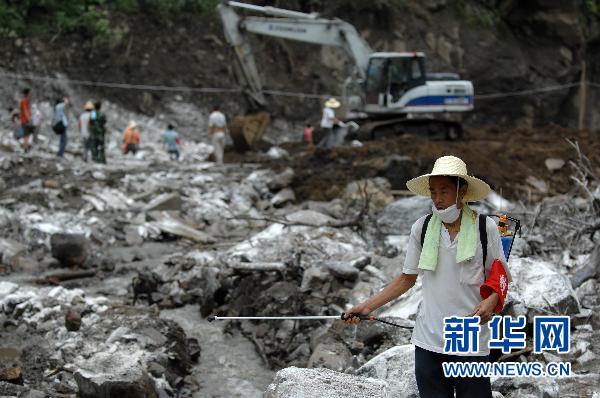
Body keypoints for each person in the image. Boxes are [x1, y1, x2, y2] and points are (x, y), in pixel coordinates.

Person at [345, 155, 511, 398]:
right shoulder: (421, 228)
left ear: (461, 191)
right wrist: (366, 307)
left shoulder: (486, 228)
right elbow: (406, 279)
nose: (437, 199)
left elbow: (500, 276)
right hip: (428, 341)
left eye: (444, 191)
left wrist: (491, 301)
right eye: (433, 192)